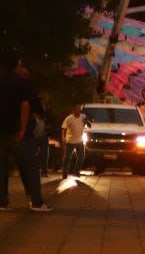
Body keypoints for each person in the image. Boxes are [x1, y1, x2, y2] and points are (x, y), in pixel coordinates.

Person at [0, 55, 51, 211]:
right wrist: (22, 128)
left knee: (2, 169)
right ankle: (37, 202)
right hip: (19, 133)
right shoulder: (22, 83)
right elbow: (26, 106)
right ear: (17, 65)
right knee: (31, 167)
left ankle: (3, 202)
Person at [61, 105, 89, 179]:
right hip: (70, 141)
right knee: (67, 157)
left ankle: (76, 171)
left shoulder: (83, 117)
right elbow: (64, 128)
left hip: (79, 141)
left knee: (81, 156)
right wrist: (63, 137)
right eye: (77, 109)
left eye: (80, 109)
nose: (79, 110)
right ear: (74, 110)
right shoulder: (69, 118)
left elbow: (88, 124)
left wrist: (87, 121)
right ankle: (64, 172)